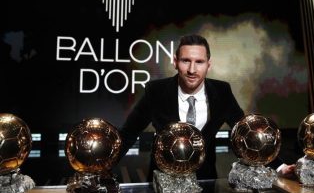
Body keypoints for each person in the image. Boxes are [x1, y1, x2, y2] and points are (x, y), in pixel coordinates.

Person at [118, 34, 294, 181]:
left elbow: (246, 135)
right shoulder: (155, 91)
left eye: (199, 62)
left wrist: (280, 166)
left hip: (206, 186)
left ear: (208, 65)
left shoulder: (222, 91)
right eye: (186, 61)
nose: (192, 69)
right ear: (175, 62)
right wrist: (100, 167)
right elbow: (128, 134)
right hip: (162, 183)